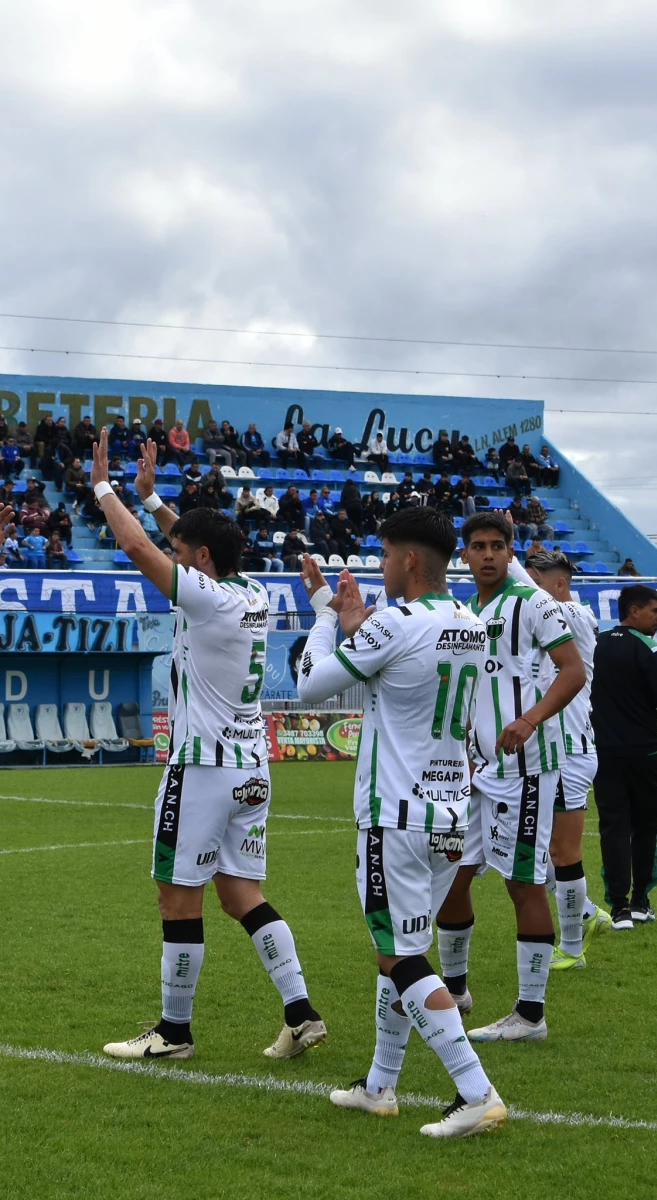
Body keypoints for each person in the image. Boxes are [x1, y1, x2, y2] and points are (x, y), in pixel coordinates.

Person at [94, 430, 325, 1062]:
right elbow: (184, 542)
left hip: (201, 767)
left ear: (198, 559)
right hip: (252, 767)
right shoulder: (252, 594)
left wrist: (105, 489)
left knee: (177, 893)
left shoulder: (210, 599)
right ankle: (301, 1012)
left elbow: (142, 547)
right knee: (240, 894)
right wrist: (153, 496)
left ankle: (174, 1032)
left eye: (185, 553)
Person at [296, 507, 507, 1138]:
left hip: (396, 815)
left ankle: (476, 1092)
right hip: (449, 814)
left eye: (386, 556)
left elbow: (310, 685)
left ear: (409, 560)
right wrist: (360, 626)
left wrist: (324, 617)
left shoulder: (396, 621)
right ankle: (380, 1086)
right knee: (398, 952)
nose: (381, 566)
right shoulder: (470, 622)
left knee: (405, 957)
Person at [435, 511, 585, 1042]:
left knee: (524, 883)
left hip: (523, 769)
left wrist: (529, 719)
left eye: (498, 545)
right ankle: (454, 990)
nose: (489, 554)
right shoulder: (467, 610)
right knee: (453, 874)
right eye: (478, 546)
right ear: (465, 555)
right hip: (475, 771)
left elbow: (573, 670)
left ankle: (530, 1014)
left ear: (511, 551)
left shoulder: (532, 602)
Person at [516, 549, 609, 967]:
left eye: (538, 585)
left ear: (558, 585)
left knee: (562, 851)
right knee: (539, 847)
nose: (531, 595)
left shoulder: (573, 615)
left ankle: (573, 946)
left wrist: (508, 550)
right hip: (552, 750)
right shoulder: (548, 625)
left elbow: (522, 586)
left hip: (570, 752)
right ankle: (586, 912)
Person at [590, 584, 657, 930]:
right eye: (656, 611)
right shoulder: (651, 650)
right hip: (644, 752)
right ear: (634, 612)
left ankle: (618, 909)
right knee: (646, 828)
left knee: (613, 827)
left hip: (604, 753)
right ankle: (641, 903)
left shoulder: (597, 645)